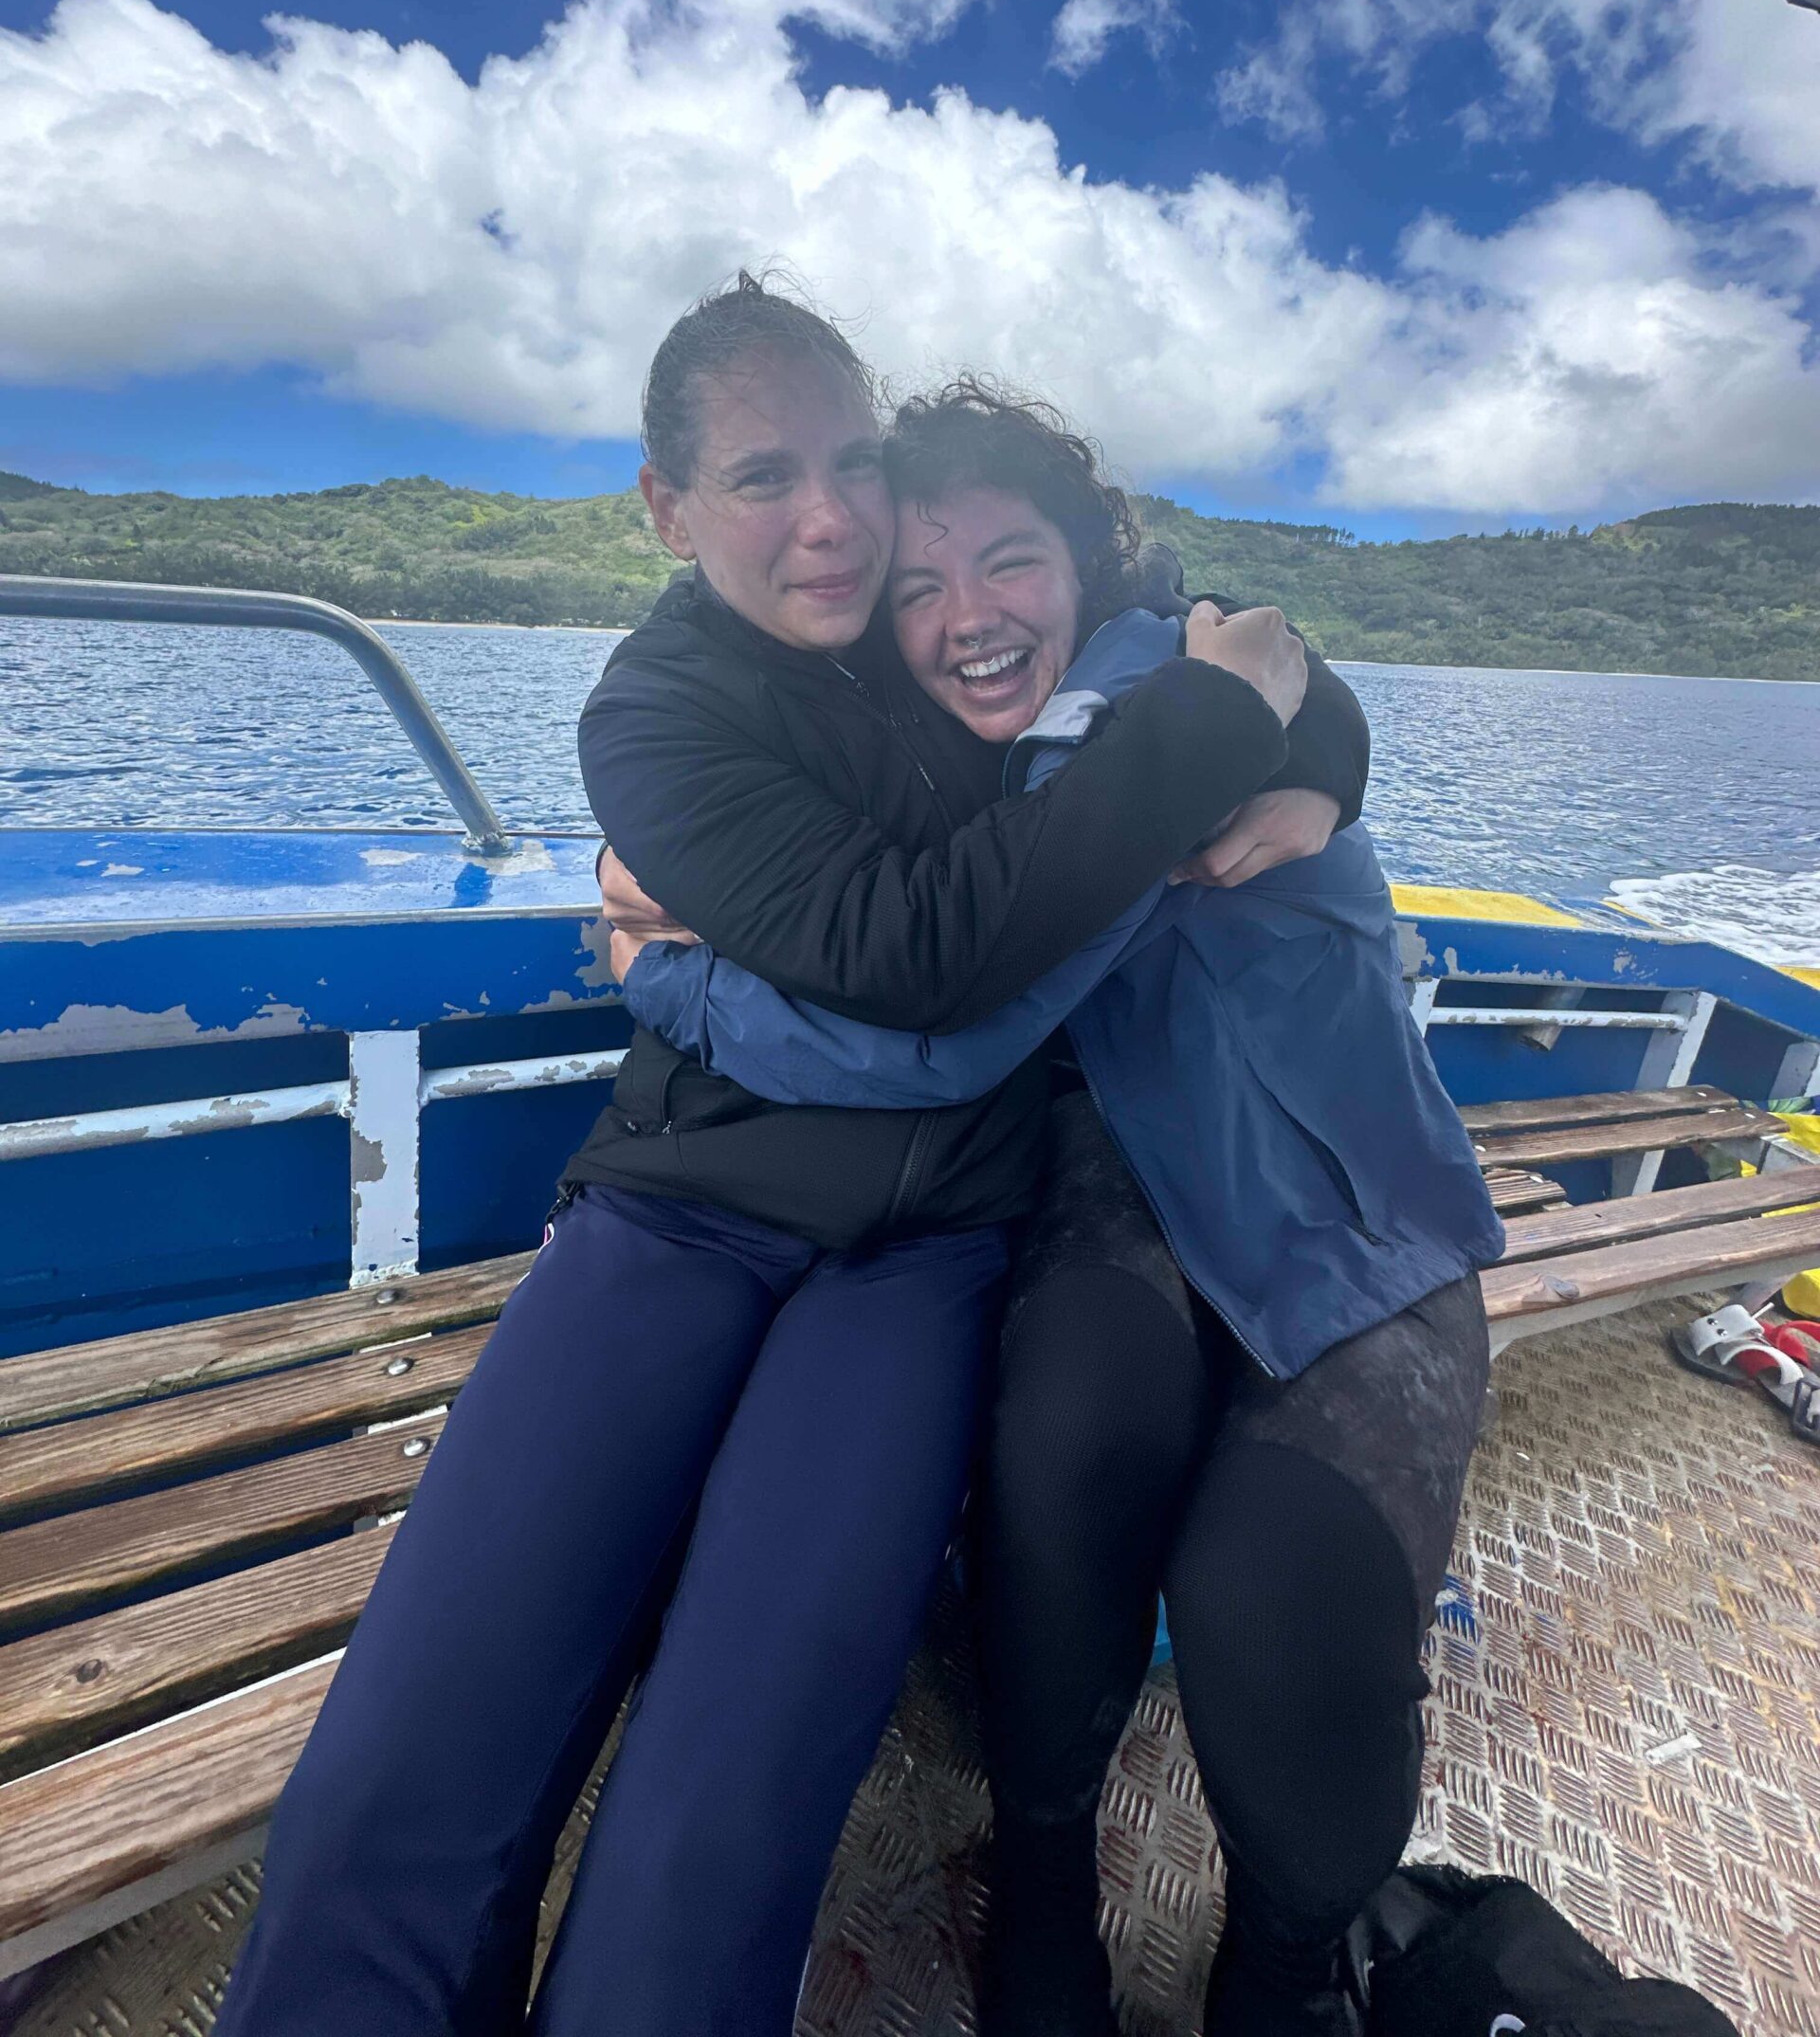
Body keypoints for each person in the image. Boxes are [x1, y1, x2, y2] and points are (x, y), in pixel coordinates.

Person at [213, 279, 1367, 2037]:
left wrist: (1319, 752)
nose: (828, 520)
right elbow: (917, 955)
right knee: (406, 1771)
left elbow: (1232, 645)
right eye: (763, 477)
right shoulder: (656, 716)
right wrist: (1206, 741)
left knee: (727, 1808)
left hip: (921, 1262)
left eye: (854, 466)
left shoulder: (971, 622)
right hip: (683, 1216)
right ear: (667, 511)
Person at [608, 382, 1506, 2037]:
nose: (966, 623)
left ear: (1094, 568)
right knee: (1062, 1452)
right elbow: (883, 924)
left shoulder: (1153, 719)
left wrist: (681, 985)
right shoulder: (974, 778)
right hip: (1113, 1199)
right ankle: (1039, 1880)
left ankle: (1290, 1953)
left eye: (1009, 565)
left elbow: (949, 1032)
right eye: (918, 592)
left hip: (1349, 1210)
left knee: (1278, 1599)